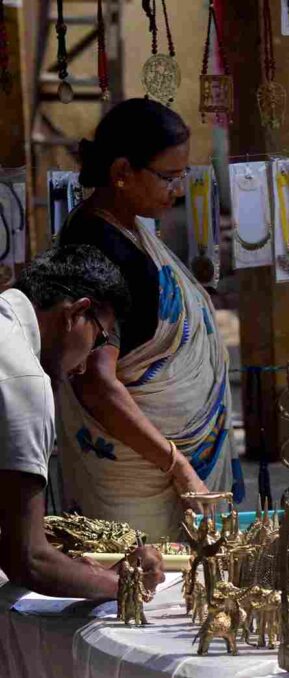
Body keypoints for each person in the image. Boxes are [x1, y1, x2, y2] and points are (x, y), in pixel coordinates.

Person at [56, 98, 241, 541]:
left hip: (163, 461)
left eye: (183, 175)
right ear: (122, 172)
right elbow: (96, 383)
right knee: (142, 577)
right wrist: (177, 465)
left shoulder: (127, 229)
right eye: (168, 177)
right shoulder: (96, 249)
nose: (177, 190)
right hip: (138, 476)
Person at [0, 244, 164, 597]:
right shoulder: (24, 379)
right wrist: (124, 584)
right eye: (99, 339)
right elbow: (28, 560)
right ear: (76, 313)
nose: (85, 365)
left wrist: (82, 571)